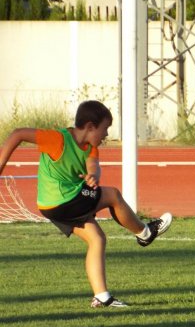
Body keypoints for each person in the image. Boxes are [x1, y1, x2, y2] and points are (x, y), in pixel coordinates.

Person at [0, 100, 172, 308]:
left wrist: (93, 175)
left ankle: (102, 297)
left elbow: (93, 165)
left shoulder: (90, 148)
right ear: (90, 126)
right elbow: (17, 134)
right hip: (64, 201)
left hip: (51, 207)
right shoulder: (57, 139)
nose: (107, 135)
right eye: (105, 129)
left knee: (97, 239)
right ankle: (145, 233)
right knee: (112, 195)